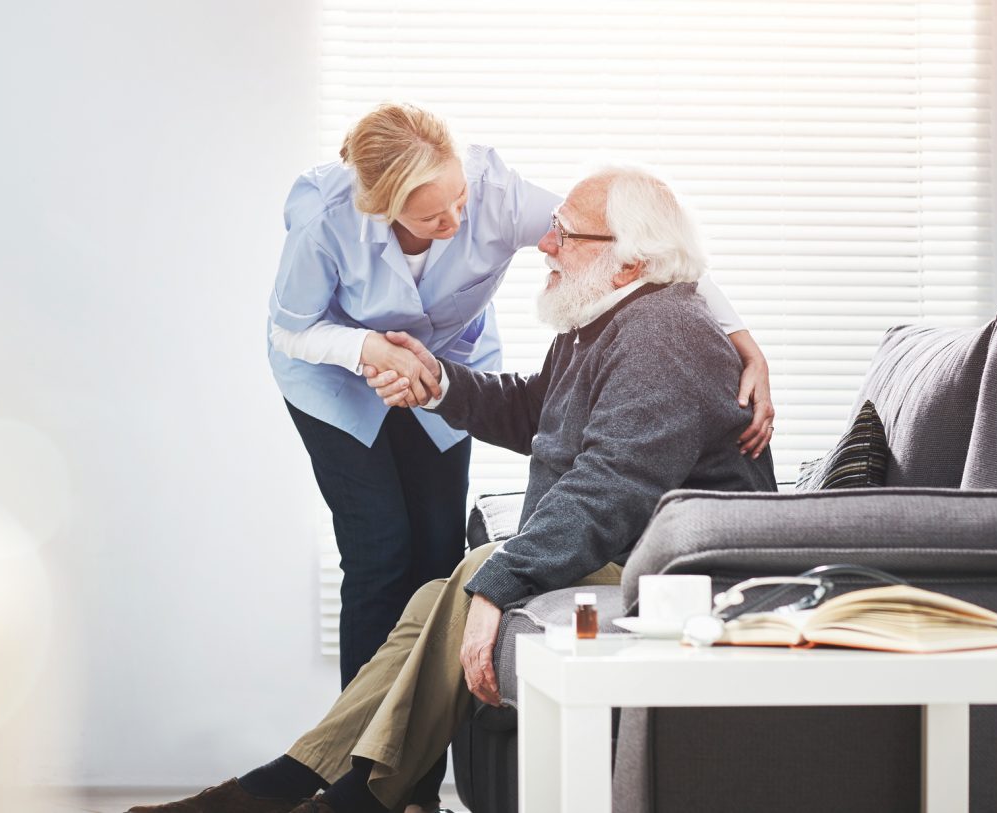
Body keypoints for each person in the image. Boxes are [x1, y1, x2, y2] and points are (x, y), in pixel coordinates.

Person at [136, 164, 777, 813]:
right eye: (551, 229)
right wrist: (438, 381)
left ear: (628, 261)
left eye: (565, 235)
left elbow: (609, 488)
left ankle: (325, 795)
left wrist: (502, 580)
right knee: (429, 601)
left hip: (671, 577)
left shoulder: (663, 333)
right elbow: (538, 411)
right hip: (633, 552)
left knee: (476, 567)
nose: (545, 245)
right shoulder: (607, 318)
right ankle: (303, 784)